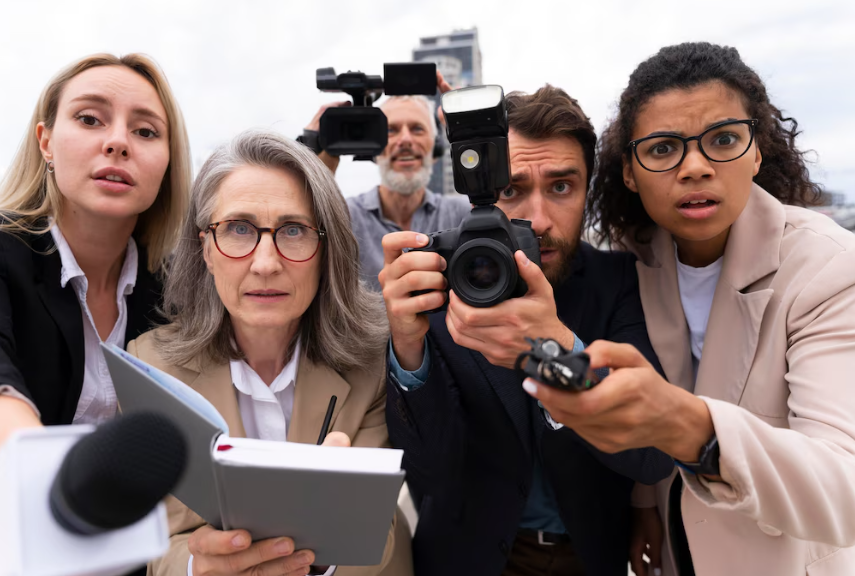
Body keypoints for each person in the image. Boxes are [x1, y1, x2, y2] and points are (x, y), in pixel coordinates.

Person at [525, 42, 855, 576]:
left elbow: (845, 489)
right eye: (662, 149)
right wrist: (642, 503)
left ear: (757, 149)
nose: (695, 167)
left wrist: (689, 427)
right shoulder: (634, 261)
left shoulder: (829, 269)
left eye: (723, 140)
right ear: (628, 171)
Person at [380, 85, 674, 576]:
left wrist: (555, 351)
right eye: (512, 189)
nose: (538, 219)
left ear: (588, 190)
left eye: (561, 187)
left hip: (587, 552)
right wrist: (408, 348)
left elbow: (653, 456)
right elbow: (427, 475)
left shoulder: (618, 282)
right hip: (466, 558)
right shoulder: (446, 285)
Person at [129, 130, 412, 576]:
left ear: (327, 248)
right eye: (239, 229)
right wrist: (195, 567)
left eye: (293, 230)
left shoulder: (373, 360)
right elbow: (160, 538)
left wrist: (318, 559)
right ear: (205, 247)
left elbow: (379, 535)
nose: (265, 263)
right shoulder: (151, 365)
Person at [0, 53, 190, 576]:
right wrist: (22, 488)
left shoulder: (182, 295)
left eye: (146, 131)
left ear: (168, 162)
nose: (118, 141)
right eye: (90, 119)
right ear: (46, 142)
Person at [300, 72, 471, 290]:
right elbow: (299, 243)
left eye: (417, 129)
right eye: (391, 130)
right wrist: (315, 156)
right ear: (374, 148)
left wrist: (469, 133)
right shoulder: (344, 218)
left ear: (435, 148)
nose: (405, 140)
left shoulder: (462, 215)